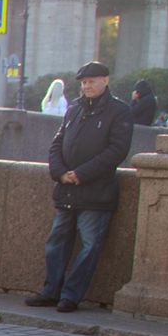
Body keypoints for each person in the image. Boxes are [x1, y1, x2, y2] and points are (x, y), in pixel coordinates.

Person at [26, 60, 133, 314]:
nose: (86, 86)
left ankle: (71, 296)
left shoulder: (119, 111)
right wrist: (60, 172)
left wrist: (81, 174)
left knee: (89, 245)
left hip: (96, 192)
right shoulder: (73, 109)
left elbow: (117, 151)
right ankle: (51, 290)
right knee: (56, 241)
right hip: (67, 189)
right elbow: (57, 143)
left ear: (105, 80)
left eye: (91, 81)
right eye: (83, 82)